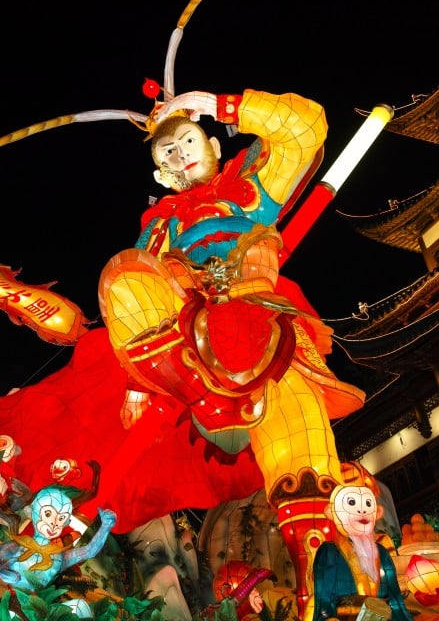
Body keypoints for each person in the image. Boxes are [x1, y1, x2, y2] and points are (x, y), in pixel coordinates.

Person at [98, 88, 365, 614]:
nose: (180, 155)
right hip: (193, 337)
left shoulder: (250, 185)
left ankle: (329, 587)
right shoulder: (162, 226)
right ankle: (192, 389)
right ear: (160, 175)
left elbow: (306, 126)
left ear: (213, 142)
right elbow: (139, 296)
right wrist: (137, 378)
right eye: (166, 153)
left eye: (188, 139)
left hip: (265, 326)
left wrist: (222, 103)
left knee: (304, 468)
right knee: (121, 276)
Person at [0, 487, 117, 618]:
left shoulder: (59, 558)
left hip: (33, 609)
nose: (54, 523)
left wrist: (105, 527)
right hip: (12, 601)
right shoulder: (19, 546)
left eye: (61, 518)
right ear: (31, 513)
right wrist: (3, 571)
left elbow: (88, 551)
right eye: (48, 514)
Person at [311, 468, 413, 621]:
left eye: (367, 504)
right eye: (351, 503)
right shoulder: (330, 552)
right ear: (332, 513)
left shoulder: (382, 554)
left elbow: (395, 599)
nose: (362, 510)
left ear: (377, 513)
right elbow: (324, 603)